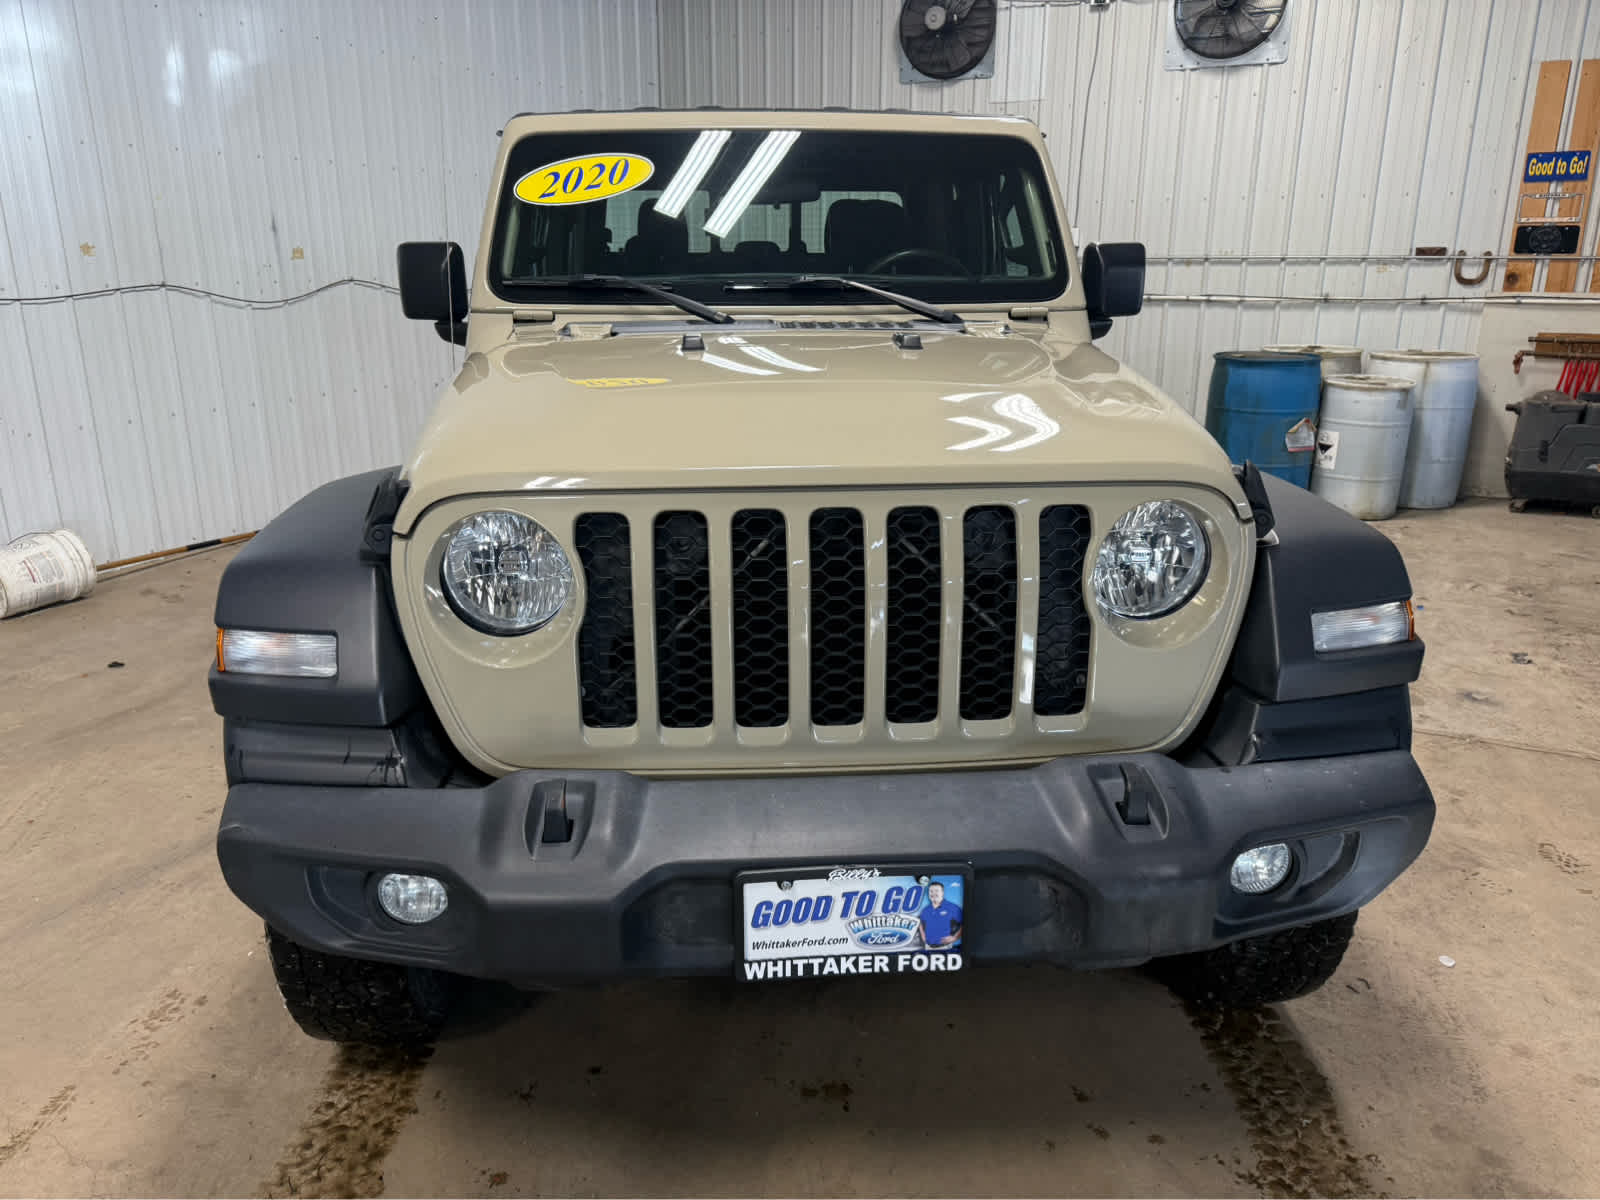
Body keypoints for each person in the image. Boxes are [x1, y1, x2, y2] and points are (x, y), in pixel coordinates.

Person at [918, 881, 963, 952]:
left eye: (936, 891)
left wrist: (955, 937)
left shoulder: (953, 908)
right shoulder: (925, 910)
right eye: (931, 891)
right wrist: (923, 937)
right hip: (928, 947)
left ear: (942, 893)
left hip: (945, 948)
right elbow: (920, 923)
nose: (933, 893)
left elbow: (966, 923)